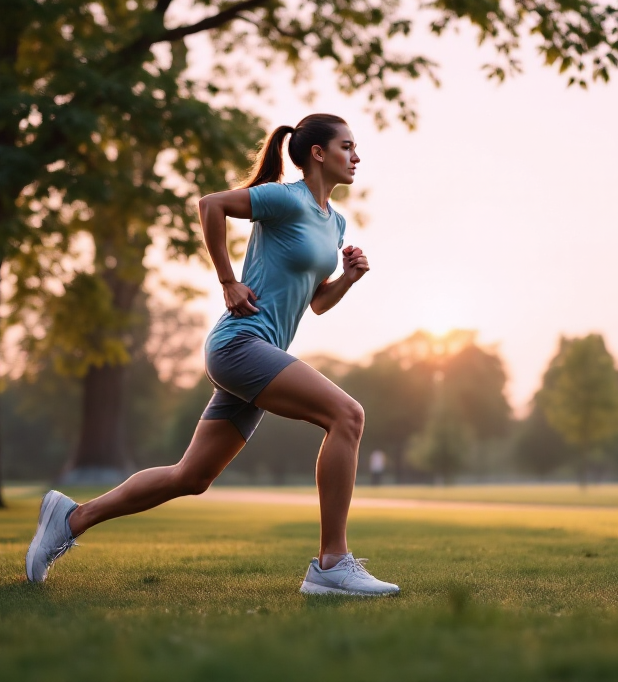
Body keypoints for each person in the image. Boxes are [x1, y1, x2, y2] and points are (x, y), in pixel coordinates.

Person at [25, 114, 399, 596]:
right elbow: (211, 205)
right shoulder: (285, 197)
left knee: (192, 475)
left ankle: (71, 518)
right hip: (240, 344)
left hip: (261, 352)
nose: (357, 156)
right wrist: (227, 280)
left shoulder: (336, 222)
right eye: (347, 146)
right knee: (347, 415)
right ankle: (332, 563)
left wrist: (347, 279)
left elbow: (316, 303)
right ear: (317, 154)